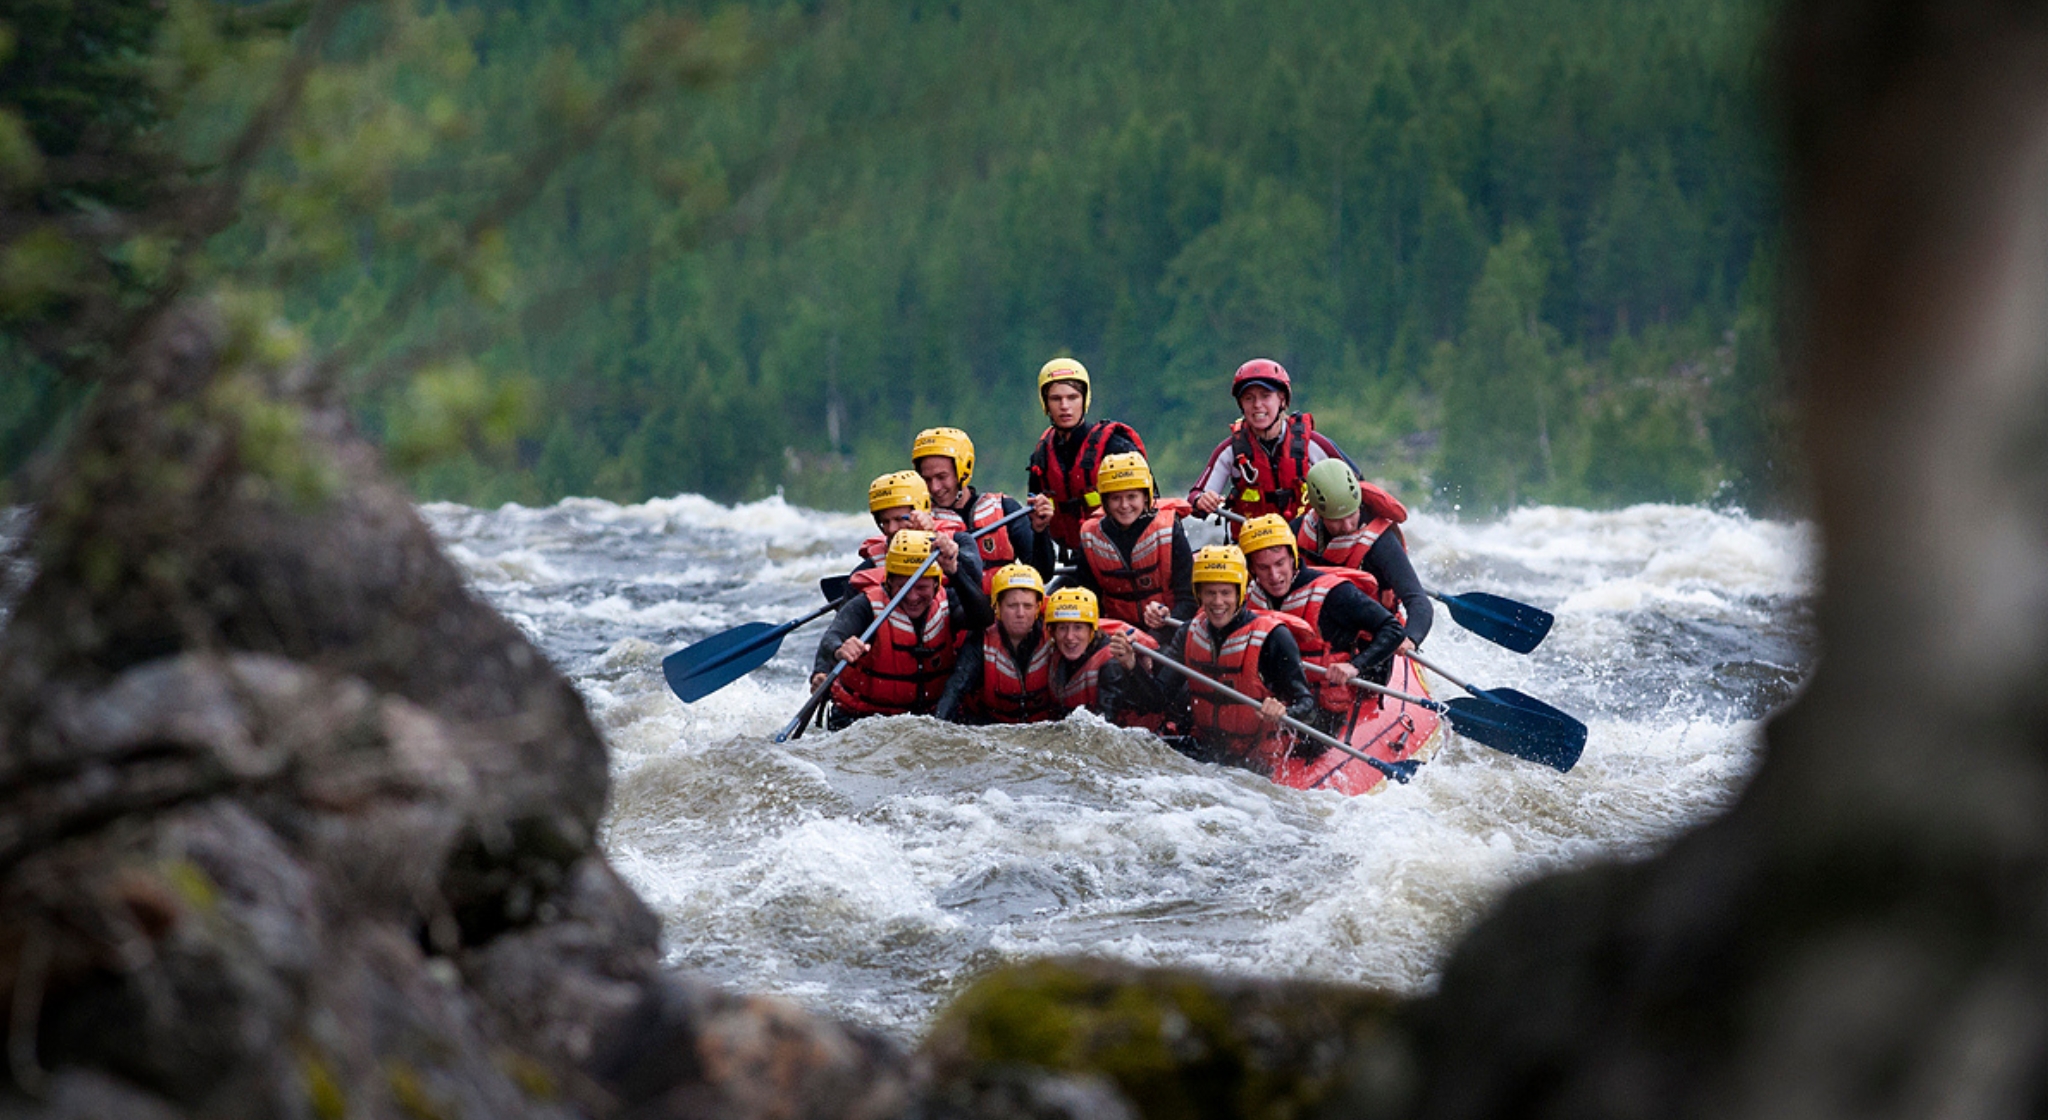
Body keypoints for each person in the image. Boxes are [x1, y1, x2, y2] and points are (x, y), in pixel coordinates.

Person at [1151, 544, 1319, 772]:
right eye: (1210, 593)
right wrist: (1133, 666)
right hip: (1206, 748)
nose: (1218, 602)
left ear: (1240, 593)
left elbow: (1308, 707)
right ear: (1198, 594)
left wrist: (1284, 712)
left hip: (1256, 760)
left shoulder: (1274, 637)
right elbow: (1159, 698)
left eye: (1226, 593)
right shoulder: (1189, 632)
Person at [1237, 513, 1408, 734]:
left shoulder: (1336, 594)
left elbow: (1393, 629)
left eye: (1280, 563)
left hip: (1326, 707)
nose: (1274, 575)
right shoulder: (1247, 599)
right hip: (1278, 698)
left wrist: (1355, 665)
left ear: (1292, 557)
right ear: (1251, 569)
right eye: (1263, 568)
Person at [811, 530, 993, 729]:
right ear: (888, 582)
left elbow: (982, 619)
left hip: (928, 719)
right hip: (860, 719)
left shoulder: (948, 602)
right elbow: (832, 637)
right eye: (903, 587)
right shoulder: (866, 606)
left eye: (921, 587)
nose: (912, 597)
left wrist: (955, 572)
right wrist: (838, 651)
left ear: (935, 584)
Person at [1188, 358, 1357, 524]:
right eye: (1249, 398)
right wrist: (1201, 500)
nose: (1257, 405)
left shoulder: (1312, 444)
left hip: (1306, 542)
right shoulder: (1229, 451)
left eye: (1265, 396)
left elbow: (1356, 486)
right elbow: (1194, 499)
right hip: (1253, 544)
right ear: (1241, 404)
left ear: (1282, 400)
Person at [1295, 458, 1434, 645]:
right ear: (1319, 513)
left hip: (1372, 639)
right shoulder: (1298, 531)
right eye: (1336, 519)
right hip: (1314, 635)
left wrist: (1409, 639)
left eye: (1351, 515)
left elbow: (1418, 601)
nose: (1346, 526)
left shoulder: (1381, 543)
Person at [1025, 357, 1146, 559]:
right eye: (1056, 399)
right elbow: (1042, 571)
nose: (1065, 406)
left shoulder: (1115, 447)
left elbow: (1149, 508)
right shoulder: (1041, 459)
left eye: (1072, 397)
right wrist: (1038, 528)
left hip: (1126, 555)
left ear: (1084, 400)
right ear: (1045, 403)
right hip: (1077, 558)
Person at [1071, 451, 1195, 642]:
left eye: (1132, 497)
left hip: (1168, 629)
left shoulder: (1169, 530)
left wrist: (1166, 619)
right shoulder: (1091, 537)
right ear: (1105, 501)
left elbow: (1189, 598)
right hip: (1115, 634)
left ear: (1146, 497)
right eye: (1115, 498)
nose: (1124, 505)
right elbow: (1088, 597)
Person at [912, 426, 1054, 591]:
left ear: (963, 471)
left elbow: (1043, 574)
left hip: (1003, 612)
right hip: (955, 612)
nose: (935, 488)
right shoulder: (920, 523)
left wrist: (1040, 531)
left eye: (942, 477)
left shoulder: (1004, 509)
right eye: (927, 479)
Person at [937, 563, 1060, 724]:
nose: (1021, 614)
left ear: (1038, 607)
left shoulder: (1057, 635)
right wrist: (938, 725)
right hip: (992, 728)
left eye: (1028, 606)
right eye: (1012, 606)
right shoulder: (981, 640)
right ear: (998, 607)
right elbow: (955, 689)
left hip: (1043, 728)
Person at [1043, 586, 1166, 730]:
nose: (1070, 637)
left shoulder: (1111, 664)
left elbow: (1104, 727)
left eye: (1078, 628)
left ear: (1091, 630)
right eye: (1063, 628)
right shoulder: (1055, 654)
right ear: (1053, 632)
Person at [852, 469, 983, 587]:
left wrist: (936, 542)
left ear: (921, 511)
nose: (892, 529)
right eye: (885, 522)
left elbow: (975, 578)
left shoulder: (959, 541)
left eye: (899, 519)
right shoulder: (871, 565)